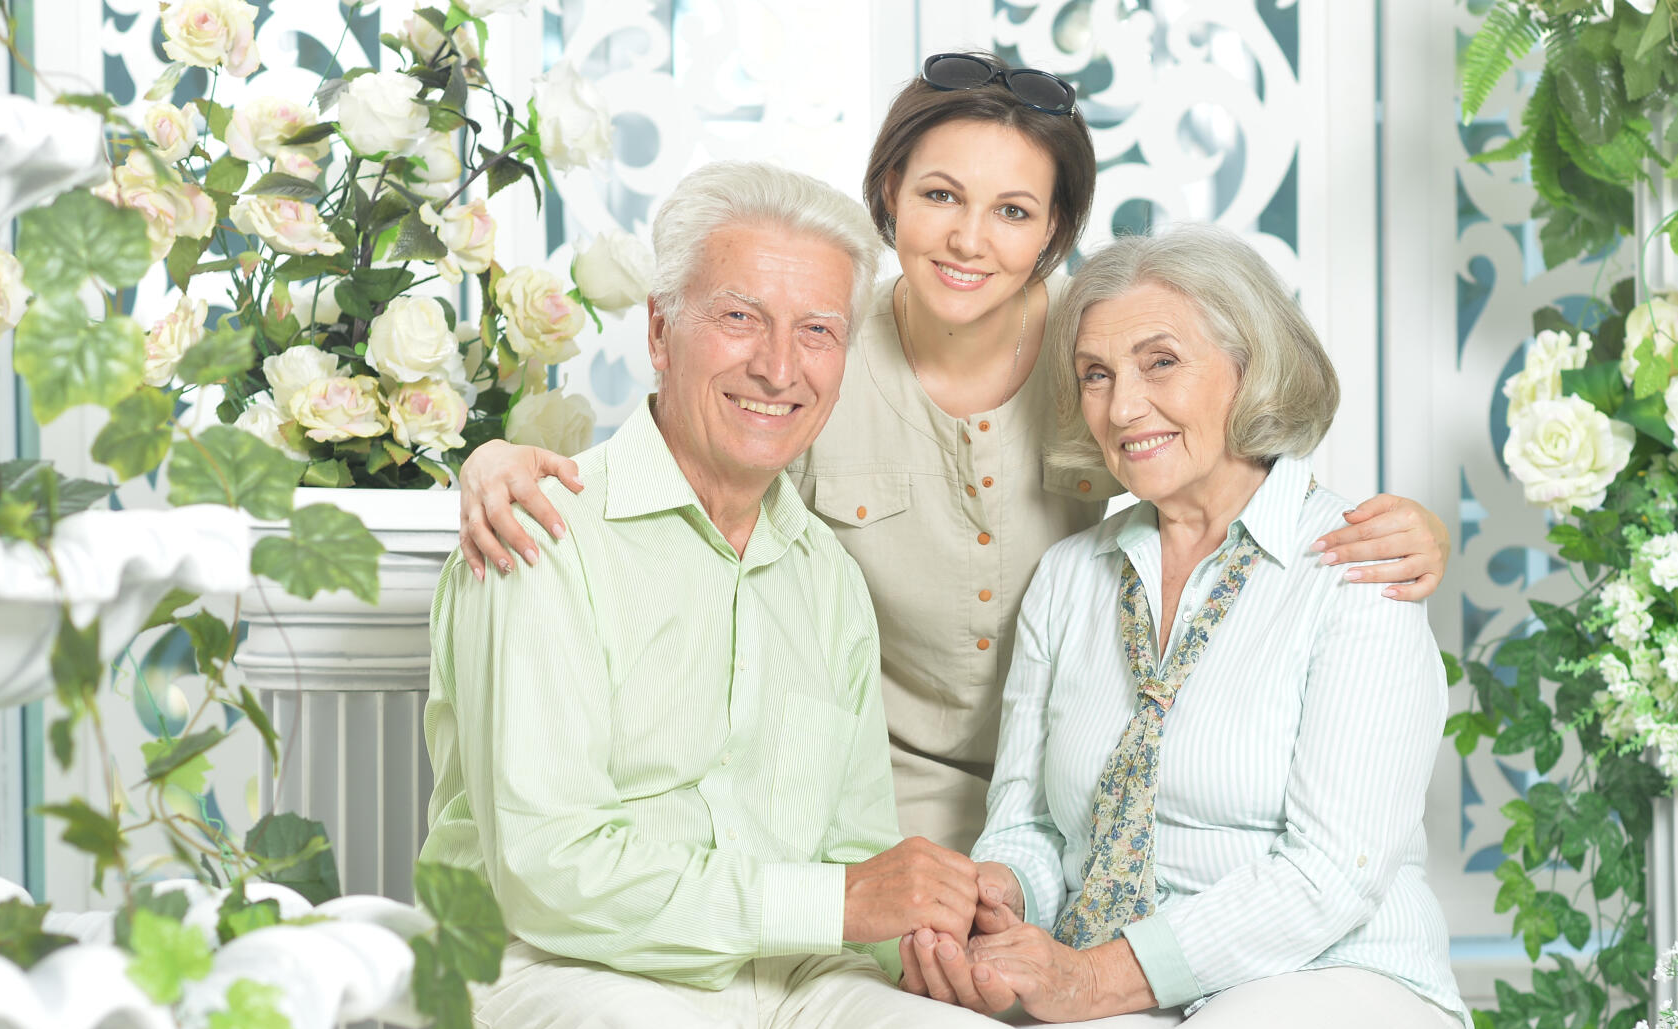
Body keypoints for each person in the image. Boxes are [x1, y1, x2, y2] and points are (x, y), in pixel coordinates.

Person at [453, 52, 1455, 854]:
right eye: (940, 195)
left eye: (1013, 211)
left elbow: (1227, 468)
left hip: (1070, 798)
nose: (970, 240)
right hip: (867, 809)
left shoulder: (1104, 351)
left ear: (1054, 231)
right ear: (889, 194)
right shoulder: (815, 350)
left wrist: (1405, 527)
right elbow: (692, 467)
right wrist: (490, 458)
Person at [420, 159, 1052, 1029]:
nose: (778, 365)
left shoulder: (825, 580)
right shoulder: (542, 531)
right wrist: (842, 900)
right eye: (740, 319)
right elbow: (549, 875)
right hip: (553, 989)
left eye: (817, 331)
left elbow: (854, 856)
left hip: (778, 988)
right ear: (660, 334)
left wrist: (941, 930)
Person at [900, 226, 1470, 1029]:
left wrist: (1089, 978)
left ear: (1248, 369)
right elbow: (1027, 819)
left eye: (1160, 362)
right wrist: (999, 901)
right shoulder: (1071, 578)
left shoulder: (1356, 569)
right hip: (1150, 998)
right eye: (1095, 374)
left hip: (1348, 980)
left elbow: (1329, 878)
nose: (1123, 406)